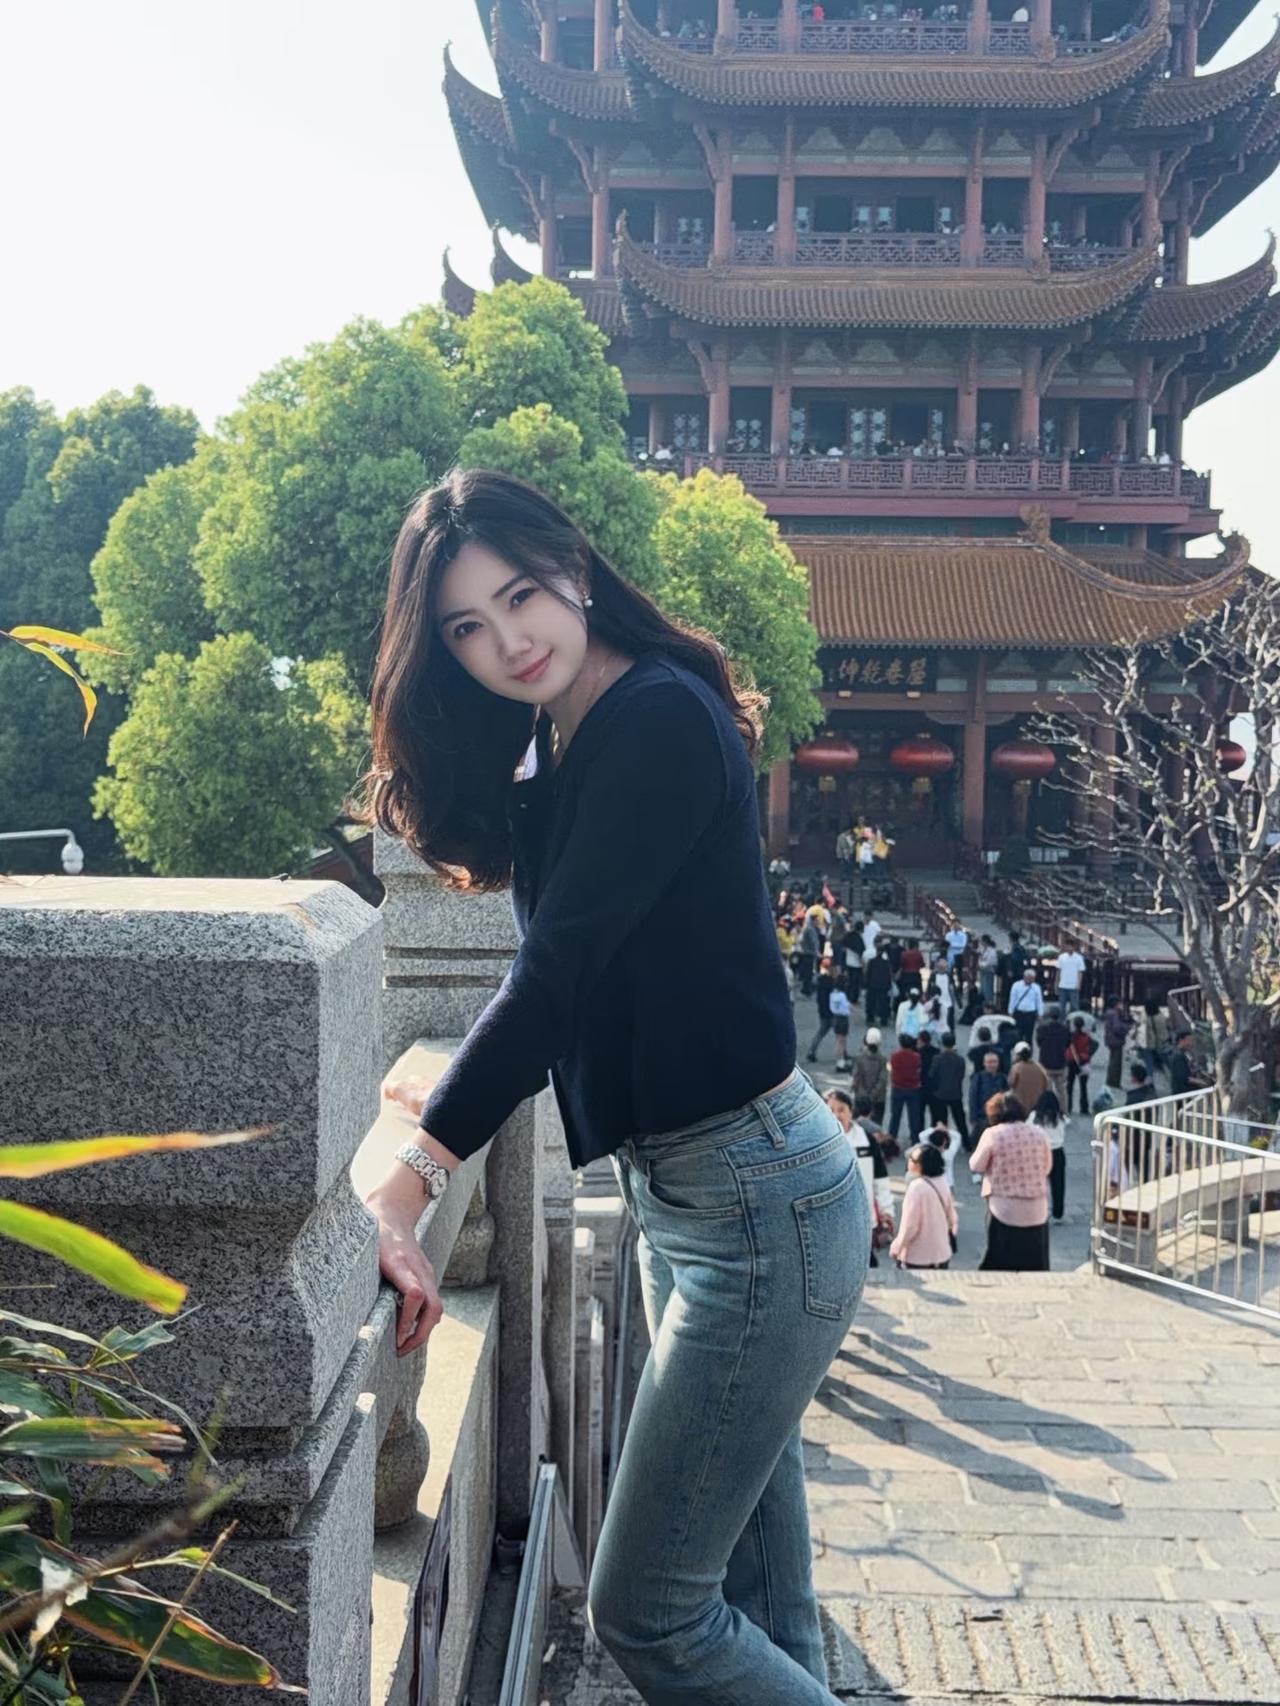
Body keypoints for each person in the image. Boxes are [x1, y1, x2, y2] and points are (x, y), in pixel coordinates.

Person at [361, 468, 868, 1702]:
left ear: (574, 569)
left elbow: (554, 978)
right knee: (759, 1605)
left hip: (757, 1204)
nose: (506, 641)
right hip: (692, 1198)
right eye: (465, 627)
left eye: (519, 595)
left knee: (649, 1612)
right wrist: (448, 1095)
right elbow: (563, 968)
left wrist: (413, 1176)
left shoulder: (653, 718)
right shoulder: (558, 733)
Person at [970, 1091, 1053, 1270]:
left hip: (1004, 1210)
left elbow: (976, 1165)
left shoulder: (992, 1134)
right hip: (1037, 1210)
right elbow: (1047, 1167)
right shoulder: (1039, 1133)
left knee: (1000, 1263)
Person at [826, 1087, 880, 1264]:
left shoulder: (867, 1140)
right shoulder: (818, 1142)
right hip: (832, 1219)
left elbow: (880, 1178)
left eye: (841, 1109)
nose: (836, 1115)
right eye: (831, 1110)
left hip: (862, 1215)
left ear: (851, 1111)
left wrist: (887, 1211)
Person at [890, 1143, 958, 1269]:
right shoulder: (943, 1182)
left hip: (918, 1256)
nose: (909, 1161)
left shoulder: (916, 1187)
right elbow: (952, 1218)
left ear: (920, 1165)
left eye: (912, 1159)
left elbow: (910, 1226)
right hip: (941, 1253)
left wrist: (897, 1246)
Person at [929, 1032, 971, 1151]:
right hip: (955, 1093)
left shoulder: (937, 1058)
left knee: (941, 1120)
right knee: (960, 1120)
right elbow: (961, 1075)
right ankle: (966, 1143)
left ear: (943, 1044)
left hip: (940, 1093)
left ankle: (943, 1142)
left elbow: (932, 1074)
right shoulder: (960, 1059)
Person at [1030, 1088, 1068, 1221]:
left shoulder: (1035, 1117)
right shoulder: (1060, 1117)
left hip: (1040, 1152)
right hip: (1058, 1152)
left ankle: (1040, 1210)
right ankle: (1058, 1213)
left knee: (1039, 1184)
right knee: (1058, 1184)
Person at [888, 1032, 926, 1144]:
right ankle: (915, 1140)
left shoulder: (895, 1056)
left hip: (898, 1087)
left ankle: (891, 1139)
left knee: (895, 1116)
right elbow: (918, 1070)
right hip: (913, 1088)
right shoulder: (916, 1057)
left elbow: (891, 1068)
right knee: (914, 1117)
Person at [968, 1051, 1008, 1148]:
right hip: (982, 1118)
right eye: (989, 1062)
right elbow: (973, 1098)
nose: (992, 1065)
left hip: (998, 1118)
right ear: (984, 1063)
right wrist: (973, 1118)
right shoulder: (978, 1078)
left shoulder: (1002, 1078)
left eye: (994, 1062)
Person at [1036, 1003, 1071, 1111]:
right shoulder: (1064, 1029)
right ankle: (1063, 1110)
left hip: (1045, 1062)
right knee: (1062, 1090)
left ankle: (1049, 1110)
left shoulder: (1042, 1028)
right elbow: (1068, 1043)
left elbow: (1039, 1042)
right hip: (1060, 1062)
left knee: (1047, 1089)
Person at [852, 1027, 888, 1123]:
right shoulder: (882, 1060)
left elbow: (856, 1077)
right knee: (876, 1125)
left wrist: (861, 1092)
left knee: (858, 1124)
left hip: (861, 1097)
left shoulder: (859, 1059)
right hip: (878, 1099)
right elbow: (883, 1079)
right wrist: (873, 1094)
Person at [806, 956, 837, 1064]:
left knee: (821, 1032)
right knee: (839, 1034)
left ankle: (811, 1051)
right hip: (832, 1011)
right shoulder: (832, 981)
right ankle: (842, 1053)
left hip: (822, 1010)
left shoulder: (819, 980)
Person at [1134, 998, 1171, 1084]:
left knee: (1149, 1065)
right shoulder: (1162, 1016)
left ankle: (1150, 1082)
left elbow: (1144, 1033)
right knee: (1167, 1063)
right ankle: (1173, 1080)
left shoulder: (1147, 1019)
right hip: (1163, 1043)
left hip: (1151, 1045)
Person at [1065, 1016, 1097, 1115]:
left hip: (1071, 1062)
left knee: (1069, 1086)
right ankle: (1084, 1108)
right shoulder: (1086, 1036)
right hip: (1083, 1062)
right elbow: (1095, 1044)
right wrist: (1088, 1054)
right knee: (1083, 1087)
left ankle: (1068, 1106)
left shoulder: (1070, 1036)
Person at [1009, 1040, 1049, 1116]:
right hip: (1037, 1105)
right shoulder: (1039, 1067)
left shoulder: (1016, 1068)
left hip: (1020, 1105)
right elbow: (1046, 1084)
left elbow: (1011, 1083)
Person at [1009, 968, 1045, 1045]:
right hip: (1019, 1013)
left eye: (1032, 978)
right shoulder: (1016, 985)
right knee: (1018, 1035)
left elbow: (1039, 1001)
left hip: (1030, 1014)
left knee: (1029, 1035)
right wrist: (1010, 1011)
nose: (1030, 980)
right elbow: (1012, 999)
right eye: (1029, 978)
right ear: (1024, 977)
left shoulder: (1036, 987)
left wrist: (1040, 1014)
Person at [1170, 1029, 1210, 1096]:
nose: (1191, 1043)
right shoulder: (1178, 1056)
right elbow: (1184, 1078)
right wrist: (1202, 1082)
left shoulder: (1186, 1053)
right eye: (1188, 1040)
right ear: (1181, 1040)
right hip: (1184, 1094)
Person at [1102, 998, 1132, 1090]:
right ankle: (1114, 1081)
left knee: (1113, 1060)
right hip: (1116, 1039)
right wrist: (1126, 1029)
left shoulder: (1110, 1013)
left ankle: (1111, 1080)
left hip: (1111, 1039)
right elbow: (1117, 1027)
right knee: (1116, 1062)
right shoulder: (1114, 1014)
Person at [863, 945, 894, 1027]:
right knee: (884, 1003)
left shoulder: (871, 962)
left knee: (871, 1002)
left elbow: (867, 974)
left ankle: (870, 1018)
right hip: (883, 986)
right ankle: (884, 1020)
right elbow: (889, 975)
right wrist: (889, 985)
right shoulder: (886, 963)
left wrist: (866, 984)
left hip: (872, 985)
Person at [829, 977, 853, 1072]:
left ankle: (840, 1060)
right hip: (843, 1018)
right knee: (842, 1041)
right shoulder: (842, 995)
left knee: (839, 1040)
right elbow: (846, 1007)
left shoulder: (832, 994)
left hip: (835, 1017)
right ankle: (840, 1062)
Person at [1055, 941, 1085, 1010]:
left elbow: (1080, 972)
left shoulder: (1079, 958)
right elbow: (1058, 971)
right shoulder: (1061, 957)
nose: (1069, 948)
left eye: (1071, 946)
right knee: (1062, 1006)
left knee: (1075, 1006)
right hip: (1063, 985)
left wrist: (1079, 984)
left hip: (1074, 986)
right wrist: (1056, 983)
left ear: (1074, 947)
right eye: (1067, 946)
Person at [978, 935, 999, 1010]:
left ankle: (989, 1004)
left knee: (988, 988)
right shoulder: (982, 949)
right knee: (983, 988)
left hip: (988, 971)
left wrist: (982, 963)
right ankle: (984, 1003)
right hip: (982, 971)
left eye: (982, 941)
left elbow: (991, 962)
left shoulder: (992, 951)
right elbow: (980, 959)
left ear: (985, 941)